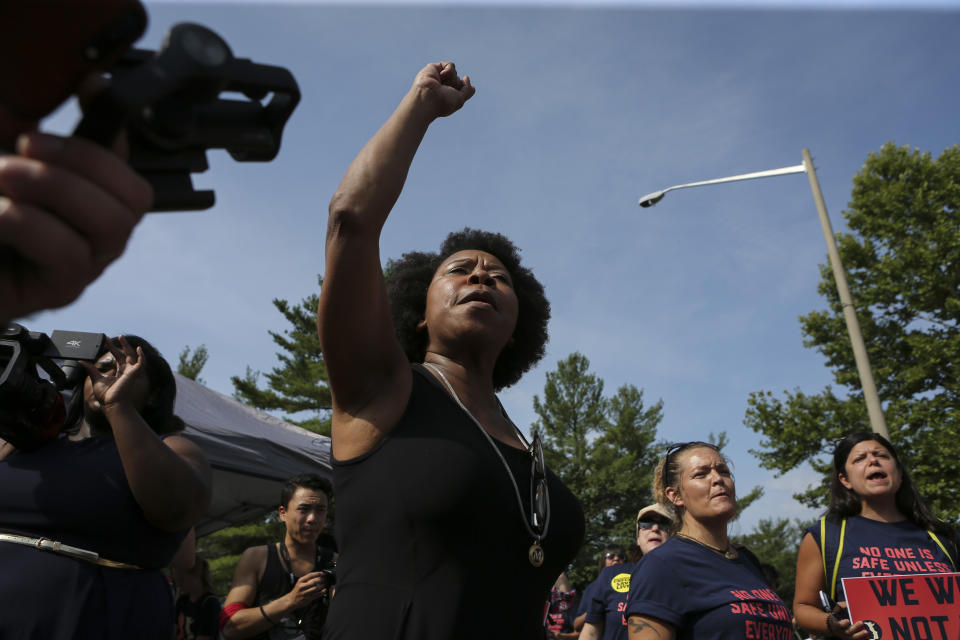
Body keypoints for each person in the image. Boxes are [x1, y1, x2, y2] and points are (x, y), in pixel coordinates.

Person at [317, 61, 585, 639]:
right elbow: (351, 219)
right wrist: (421, 106)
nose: (482, 278)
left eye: (499, 278)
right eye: (460, 272)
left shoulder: (522, 441)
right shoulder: (383, 389)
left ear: (518, 326)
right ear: (417, 313)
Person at [0, 334, 212, 639]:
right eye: (99, 366)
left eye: (123, 366)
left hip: (97, 619)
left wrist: (118, 405)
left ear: (154, 394)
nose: (106, 373)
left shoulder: (174, 448)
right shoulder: (32, 445)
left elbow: (178, 508)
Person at [793, 431, 959, 639]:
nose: (873, 461)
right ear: (845, 480)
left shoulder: (942, 535)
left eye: (882, 455)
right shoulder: (825, 535)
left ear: (898, 472)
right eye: (860, 458)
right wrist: (832, 624)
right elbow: (803, 606)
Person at [624, 442, 792, 640]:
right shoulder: (661, 565)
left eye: (724, 471)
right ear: (675, 495)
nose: (717, 479)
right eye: (701, 474)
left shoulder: (747, 560)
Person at [220, 474, 333, 640]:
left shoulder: (335, 562)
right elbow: (230, 627)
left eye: (320, 510)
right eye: (303, 509)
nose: (312, 519)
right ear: (283, 513)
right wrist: (291, 601)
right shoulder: (257, 558)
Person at [579, 504, 675, 640]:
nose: (655, 528)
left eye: (663, 524)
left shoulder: (688, 578)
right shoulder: (611, 575)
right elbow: (591, 632)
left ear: (672, 535)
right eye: (646, 523)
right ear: (638, 539)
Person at [573, 544, 628, 632]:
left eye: (621, 556)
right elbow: (576, 625)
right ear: (603, 561)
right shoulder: (592, 588)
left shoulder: (635, 584)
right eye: (611, 556)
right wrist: (595, 610)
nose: (616, 559)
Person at [174, 555, 222, 640]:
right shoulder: (182, 600)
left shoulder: (210, 603)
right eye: (176, 580)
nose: (178, 584)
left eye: (182, 580)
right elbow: (173, 630)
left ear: (197, 576)